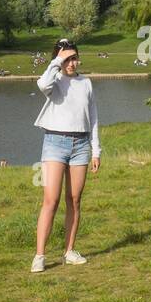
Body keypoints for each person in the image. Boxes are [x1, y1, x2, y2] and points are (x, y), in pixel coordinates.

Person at [30, 38, 101, 273]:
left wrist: (96, 150)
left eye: (74, 58)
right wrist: (57, 61)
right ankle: (40, 255)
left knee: (75, 200)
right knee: (51, 200)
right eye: (67, 59)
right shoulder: (54, 80)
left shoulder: (86, 83)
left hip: (80, 144)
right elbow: (41, 85)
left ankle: (69, 251)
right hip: (54, 143)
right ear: (59, 60)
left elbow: (93, 118)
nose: (72, 63)